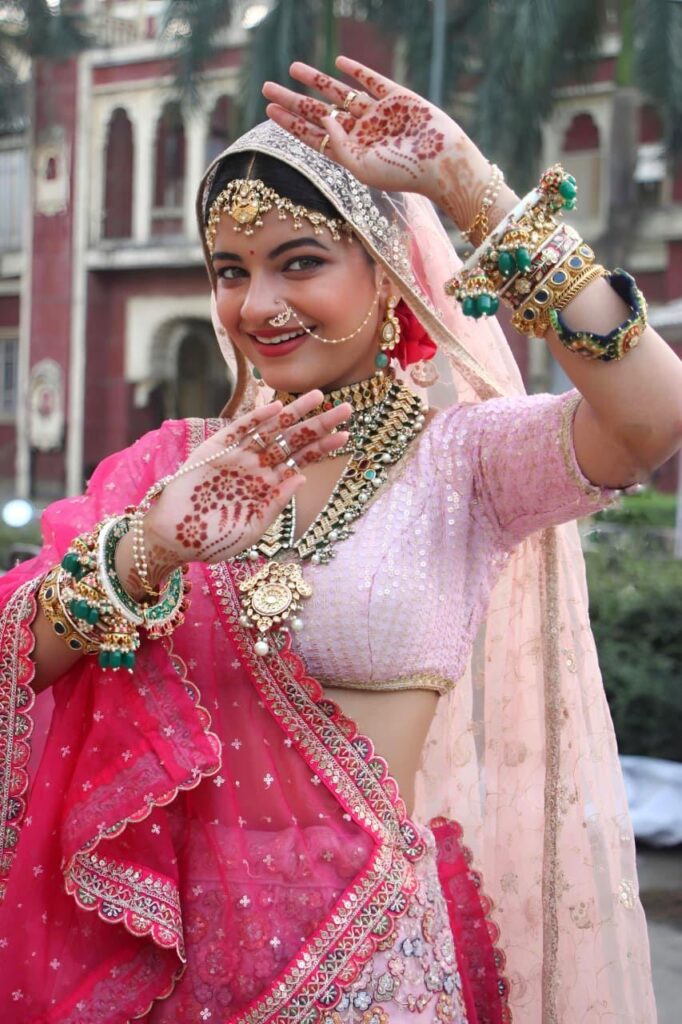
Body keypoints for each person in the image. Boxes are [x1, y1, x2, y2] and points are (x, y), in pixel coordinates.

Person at [1, 55, 675, 1022]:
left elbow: (653, 419)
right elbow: (17, 667)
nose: (257, 305)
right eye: (231, 272)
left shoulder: (465, 463)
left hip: (369, 972)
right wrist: (152, 546)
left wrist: (470, 188)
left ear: (387, 270)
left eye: (300, 262)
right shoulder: (170, 470)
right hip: (175, 976)